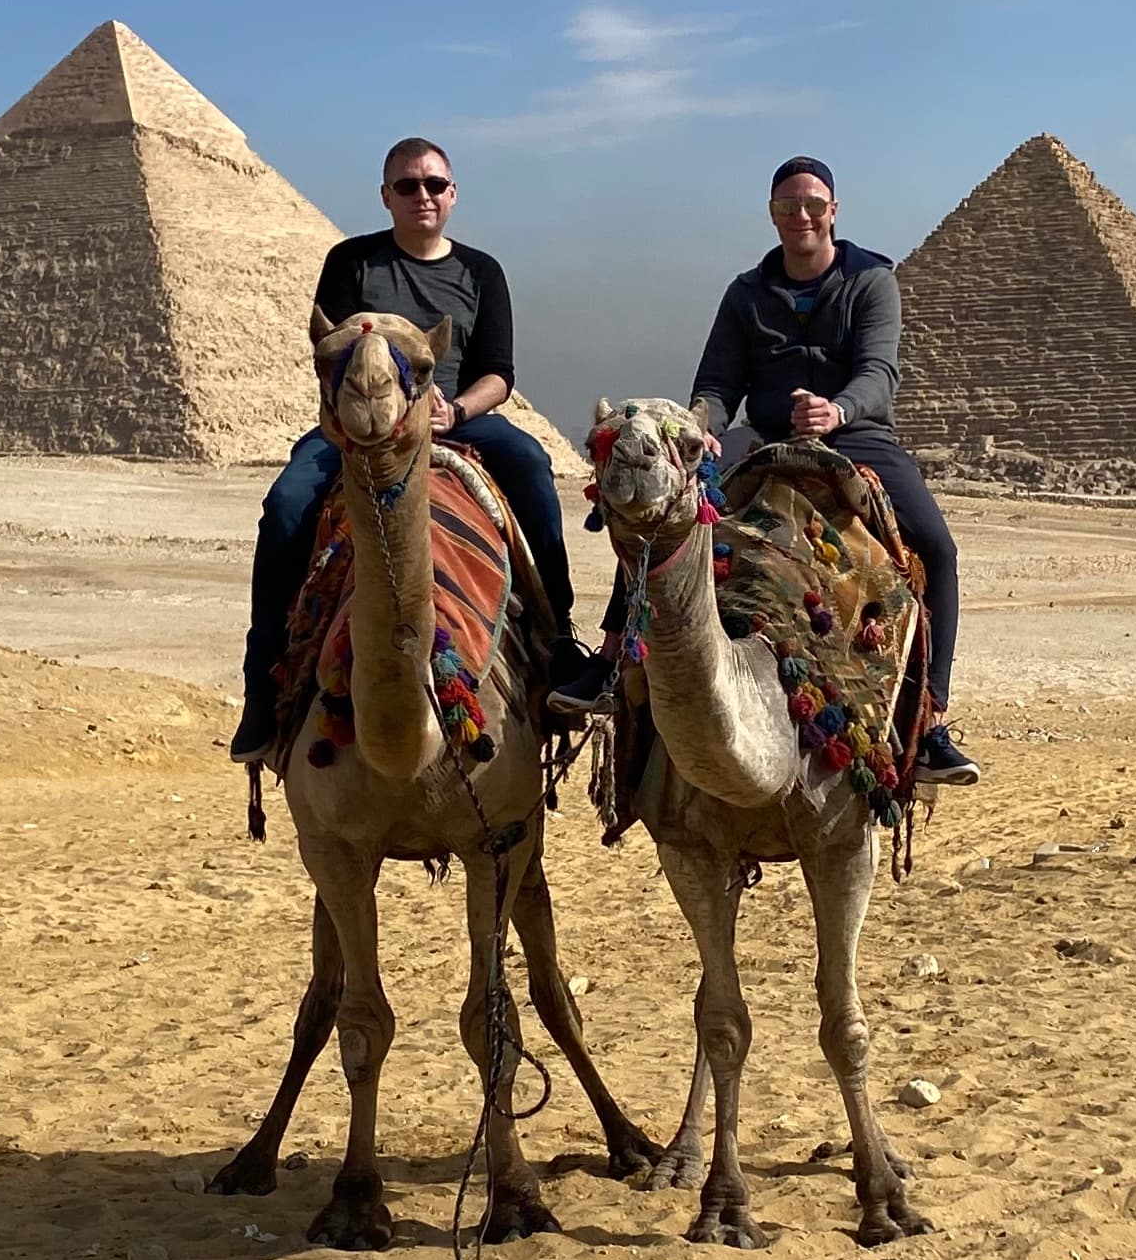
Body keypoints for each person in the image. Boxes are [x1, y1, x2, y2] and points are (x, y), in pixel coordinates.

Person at [551, 154, 979, 785]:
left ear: (833, 210)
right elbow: (719, 383)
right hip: (765, 435)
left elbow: (879, 373)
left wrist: (837, 410)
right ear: (773, 214)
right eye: (787, 207)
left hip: (856, 435)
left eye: (813, 205)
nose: (800, 216)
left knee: (937, 551)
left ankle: (929, 718)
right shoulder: (746, 293)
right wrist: (703, 431)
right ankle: (612, 661)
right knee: (663, 511)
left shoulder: (872, 282)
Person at [229, 136, 595, 762]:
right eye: (407, 186)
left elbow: (499, 374)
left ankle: (559, 641)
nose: (421, 196)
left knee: (533, 469)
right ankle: (263, 678)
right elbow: (334, 352)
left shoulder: (480, 272)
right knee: (286, 504)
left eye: (433, 185)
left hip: (453, 419)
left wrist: (454, 408)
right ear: (385, 196)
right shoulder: (352, 263)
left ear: (453, 194)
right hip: (364, 425)